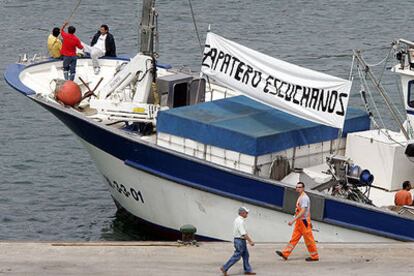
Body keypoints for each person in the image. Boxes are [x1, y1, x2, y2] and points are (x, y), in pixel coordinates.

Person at [276, 182, 319, 262]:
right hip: (300, 222)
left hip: (303, 222)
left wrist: (293, 220)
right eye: (297, 187)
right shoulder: (301, 197)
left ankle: (314, 256)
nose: (297, 189)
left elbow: (303, 211)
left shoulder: (304, 198)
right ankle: (285, 254)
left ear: (303, 188)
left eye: (299, 187)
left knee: (309, 240)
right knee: (294, 239)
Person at [220, 207, 256, 276]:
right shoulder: (240, 221)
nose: (247, 214)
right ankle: (224, 268)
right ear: (242, 213)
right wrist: (250, 241)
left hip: (240, 240)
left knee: (246, 255)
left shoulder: (238, 220)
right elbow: (243, 233)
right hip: (240, 241)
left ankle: (247, 270)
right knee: (237, 256)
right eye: (246, 212)